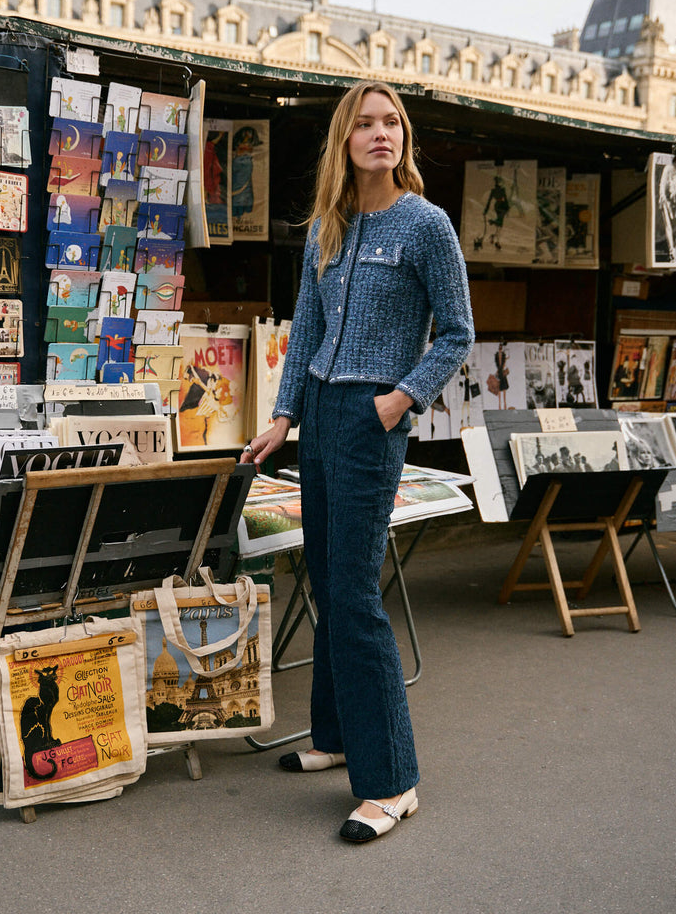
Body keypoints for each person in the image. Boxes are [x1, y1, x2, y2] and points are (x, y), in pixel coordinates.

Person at [240, 80, 473, 842]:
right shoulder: (326, 230)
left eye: (393, 122)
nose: (382, 134)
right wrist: (282, 416)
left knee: (355, 597)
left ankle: (393, 781)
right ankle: (335, 739)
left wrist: (398, 400)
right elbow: (306, 325)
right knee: (328, 582)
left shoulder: (425, 225)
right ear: (345, 140)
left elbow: (457, 333)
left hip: (374, 418)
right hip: (321, 414)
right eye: (366, 124)